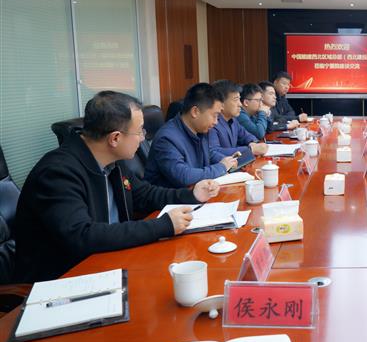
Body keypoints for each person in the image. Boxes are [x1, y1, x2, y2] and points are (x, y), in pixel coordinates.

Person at [13, 91, 221, 282]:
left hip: (111, 260)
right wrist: (163, 226)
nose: (143, 138)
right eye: (139, 131)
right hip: (67, 278)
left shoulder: (112, 161)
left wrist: (191, 194)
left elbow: (145, 194)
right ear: (115, 138)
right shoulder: (57, 173)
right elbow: (82, 236)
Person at [145, 83, 237, 188]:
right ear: (195, 112)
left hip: (197, 193)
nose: (216, 122)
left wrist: (226, 160)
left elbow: (207, 154)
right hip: (174, 197)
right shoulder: (167, 138)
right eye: (214, 115)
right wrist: (221, 167)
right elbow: (184, 176)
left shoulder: (200, 130)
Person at [209, 80, 268, 158]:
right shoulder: (212, 123)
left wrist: (252, 143)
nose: (240, 104)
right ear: (221, 103)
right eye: (236, 99)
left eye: (239, 99)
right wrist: (250, 149)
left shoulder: (233, 120)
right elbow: (214, 152)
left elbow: (247, 136)